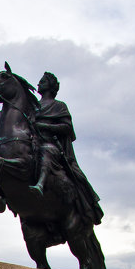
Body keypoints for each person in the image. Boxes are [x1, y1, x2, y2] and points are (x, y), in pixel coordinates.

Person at [28, 72, 103, 227]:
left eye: (42, 82)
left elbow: (67, 128)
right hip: (32, 146)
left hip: (53, 148)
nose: (38, 84)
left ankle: (41, 184)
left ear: (50, 86)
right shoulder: (33, 107)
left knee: (47, 151)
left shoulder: (59, 106)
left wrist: (43, 125)